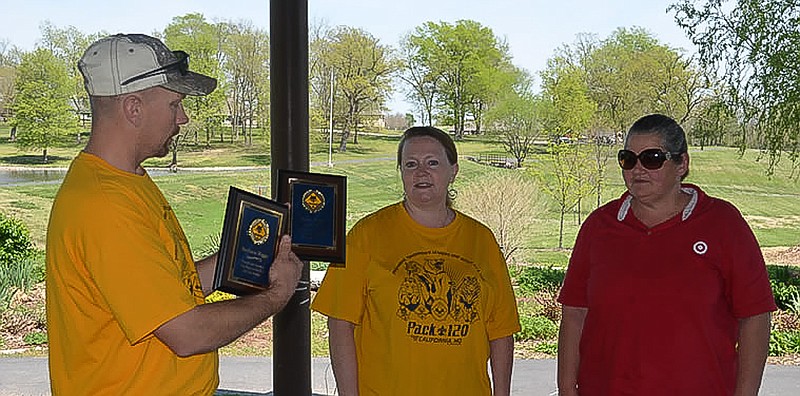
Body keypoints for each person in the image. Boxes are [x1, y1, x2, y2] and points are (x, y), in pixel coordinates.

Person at [45, 34, 303, 395]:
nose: (183, 117)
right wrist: (277, 295)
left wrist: (251, 250)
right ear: (133, 108)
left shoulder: (124, 181)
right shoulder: (105, 205)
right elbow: (187, 333)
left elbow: (169, 287)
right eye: (174, 104)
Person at [557, 114, 776, 396]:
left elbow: (755, 316)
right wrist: (565, 388)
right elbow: (574, 313)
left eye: (652, 158)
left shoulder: (723, 224)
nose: (638, 169)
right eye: (628, 159)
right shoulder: (599, 227)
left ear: (681, 164)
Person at [311, 126, 521, 395]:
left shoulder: (482, 240)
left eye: (432, 162)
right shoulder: (365, 235)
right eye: (411, 164)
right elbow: (340, 324)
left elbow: (501, 329)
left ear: (453, 171)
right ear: (401, 173)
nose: (421, 172)